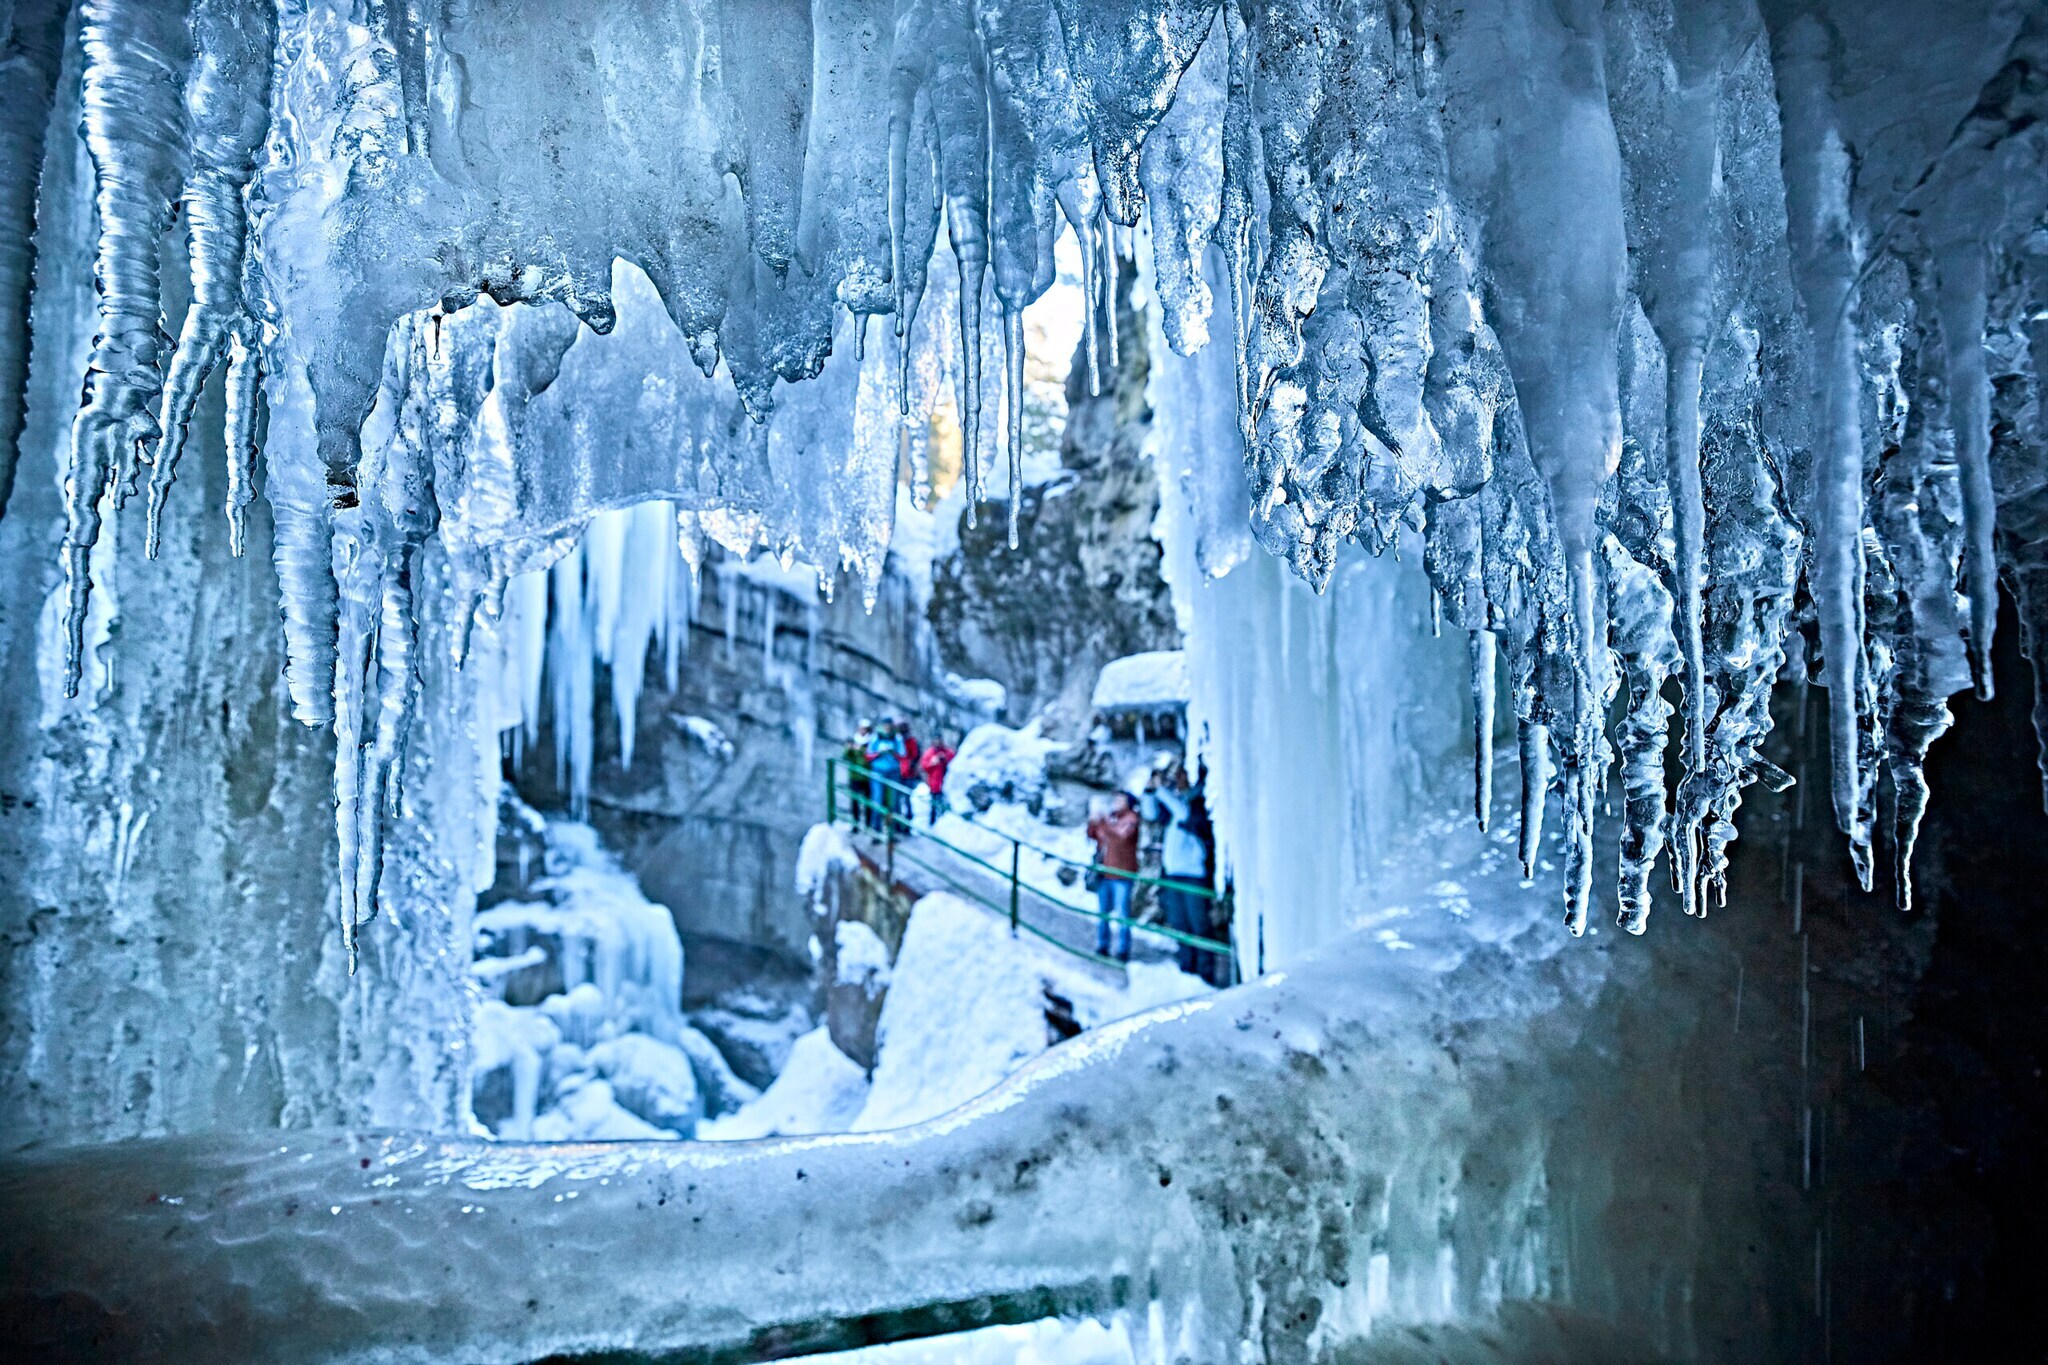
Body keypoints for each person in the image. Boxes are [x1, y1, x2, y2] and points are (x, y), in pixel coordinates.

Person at [1144, 759, 1215, 978]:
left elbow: (1184, 815)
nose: (1178, 779)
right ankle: (1187, 967)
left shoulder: (1198, 801)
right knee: (1179, 922)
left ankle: (1205, 972)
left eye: (1182, 774)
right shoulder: (1175, 801)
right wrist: (1150, 791)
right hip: (1172, 874)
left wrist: (1162, 791)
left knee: (1198, 924)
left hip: (1194, 874)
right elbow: (1150, 813)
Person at [1086, 791, 1141, 962]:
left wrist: (1102, 822)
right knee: (1103, 912)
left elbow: (1120, 837)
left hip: (1122, 875)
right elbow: (1095, 835)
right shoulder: (1111, 818)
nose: (1116, 802)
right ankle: (1102, 945)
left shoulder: (1131, 819)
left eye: (1120, 799)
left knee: (1122, 913)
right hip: (1104, 873)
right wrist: (1093, 822)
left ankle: (1123, 950)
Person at [920, 732, 955, 825]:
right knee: (933, 805)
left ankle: (944, 823)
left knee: (944, 804)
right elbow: (924, 766)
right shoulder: (929, 753)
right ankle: (932, 823)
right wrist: (932, 762)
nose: (938, 742)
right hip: (934, 784)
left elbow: (954, 763)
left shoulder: (948, 752)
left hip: (946, 783)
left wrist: (945, 760)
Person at [845, 721, 874, 830]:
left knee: (868, 801)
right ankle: (855, 824)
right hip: (855, 776)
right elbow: (846, 756)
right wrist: (849, 748)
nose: (862, 731)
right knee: (854, 801)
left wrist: (860, 750)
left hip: (867, 776)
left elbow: (870, 757)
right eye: (861, 728)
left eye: (865, 729)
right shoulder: (853, 740)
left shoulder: (871, 741)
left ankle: (868, 824)